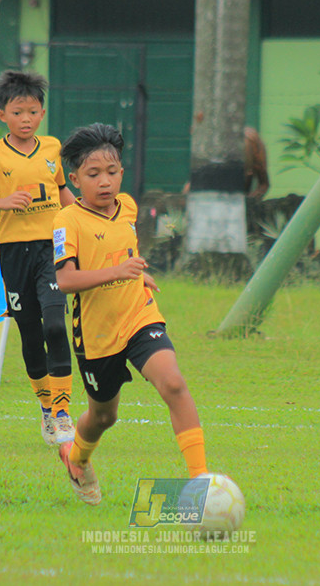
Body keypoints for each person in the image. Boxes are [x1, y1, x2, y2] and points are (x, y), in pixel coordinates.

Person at [52, 122, 208, 506]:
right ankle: (77, 458)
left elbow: (123, 255)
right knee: (103, 417)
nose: (104, 182)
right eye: (93, 175)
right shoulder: (66, 221)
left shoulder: (128, 207)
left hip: (138, 316)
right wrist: (118, 272)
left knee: (173, 383)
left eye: (111, 172)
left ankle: (201, 483)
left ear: (121, 172)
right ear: (74, 180)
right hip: (96, 334)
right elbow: (66, 280)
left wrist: (138, 275)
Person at [0, 70, 77, 446]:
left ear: (42, 114)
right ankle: (45, 408)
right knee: (29, 331)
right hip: (13, 253)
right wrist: (2, 201)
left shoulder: (53, 149)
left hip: (51, 249)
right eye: (18, 111)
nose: (26, 118)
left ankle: (62, 411)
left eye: (33, 111)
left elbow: (63, 194)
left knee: (56, 325)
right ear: (2, 115)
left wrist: (83, 223)